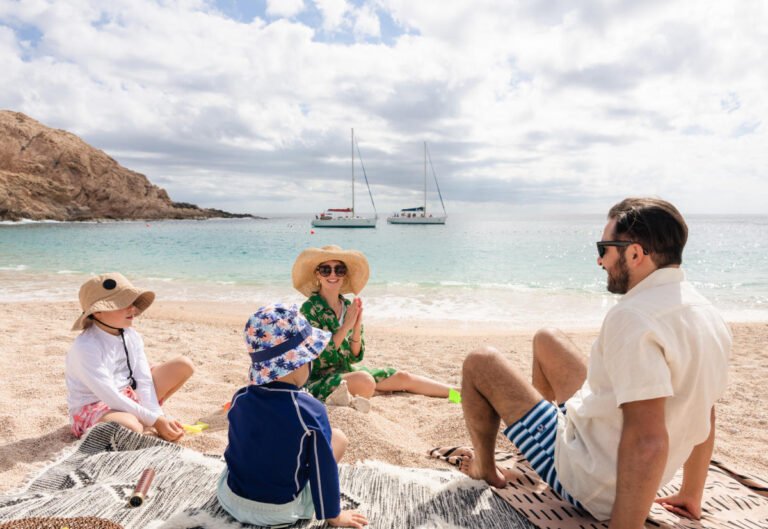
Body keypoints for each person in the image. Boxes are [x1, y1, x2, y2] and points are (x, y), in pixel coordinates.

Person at [457, 198, 731, 527]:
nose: (600, 261)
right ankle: (537, 448)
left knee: (480, 361)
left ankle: (485, 469)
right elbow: (705, 408)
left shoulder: (634, 318)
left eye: (604, 248)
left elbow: (647, 440)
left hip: (593, 482)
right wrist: (691, 494)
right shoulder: (707, 314)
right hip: (607, 448)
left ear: (634, 253)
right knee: (547, 338)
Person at [217, 304, 368, 528]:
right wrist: (334, 515)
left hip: (231, 499)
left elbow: (237, 446)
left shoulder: (240, 398)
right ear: (299, 362)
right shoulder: (310, 409)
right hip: (279, 510)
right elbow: (322, 468)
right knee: (338, 438)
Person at [292, 245, 452, 401]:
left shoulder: (348, 306)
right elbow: (320, 356)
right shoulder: (309, 309)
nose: (332, 274)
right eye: (326, 270)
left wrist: (356, 328)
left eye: (339, 270)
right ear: (318, 275)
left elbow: (355, 357)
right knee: (365, 381)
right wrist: (347, 325)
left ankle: (458, 394)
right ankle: (374, 391)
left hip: (347, 372)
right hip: (318, 380)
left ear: (345, 275)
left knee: (403, 377)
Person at [66, 273, 194, 441]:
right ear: (97, 313)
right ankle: (136, 422)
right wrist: (155, 421)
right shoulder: (86, 347)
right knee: (131, 426)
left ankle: (142, 420)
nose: (133, 309)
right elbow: (109, 395)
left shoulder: (131, 335)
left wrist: (156, 416)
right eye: (122, 304)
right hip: (95, 405)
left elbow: (143, 379)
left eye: (132, 303)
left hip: (127, 392)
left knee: (183, 365)